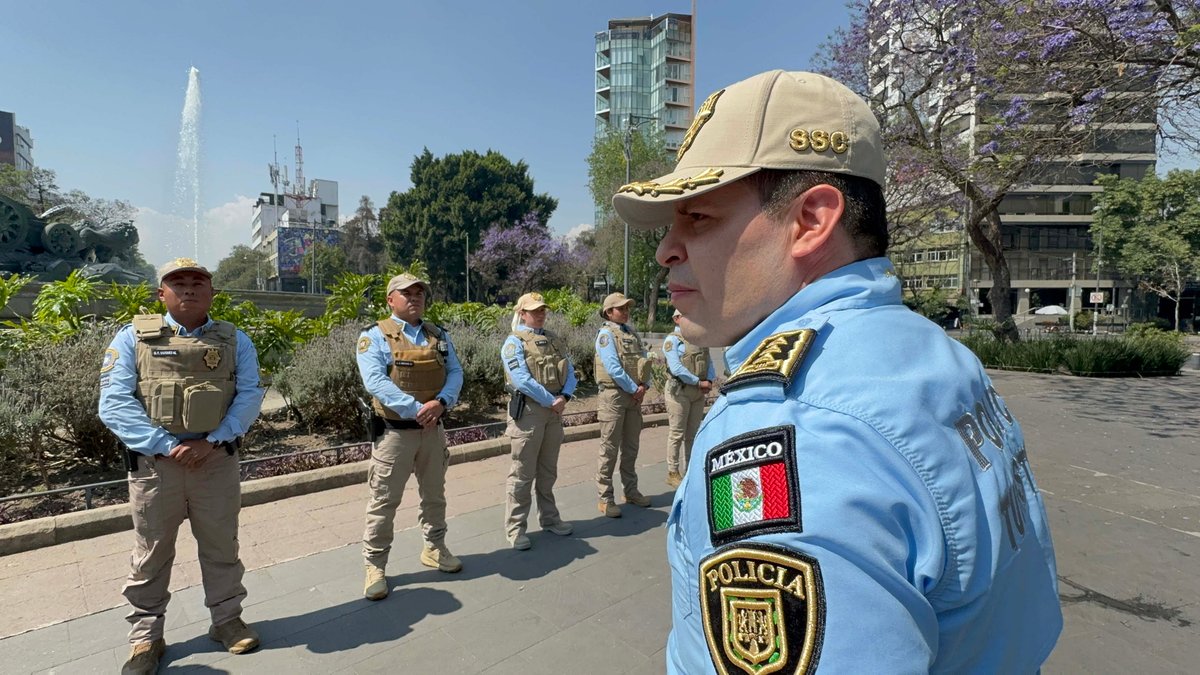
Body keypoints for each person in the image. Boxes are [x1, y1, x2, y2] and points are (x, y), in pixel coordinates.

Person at [612, 70, 1062, 673]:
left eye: (698, 219)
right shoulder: (930, 349)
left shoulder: (788, 426)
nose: (667, 248)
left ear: (811, 220)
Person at [98, 258, 265, 675]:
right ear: (162, 294)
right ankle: (145, 638)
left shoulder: (235, 339)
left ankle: (227, 620)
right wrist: (168, 446)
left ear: (211, 292)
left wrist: (213, 441)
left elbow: (249, 396)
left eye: (198, 282)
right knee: (151, 554)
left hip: (215, 463)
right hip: (157, 468)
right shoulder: (131, 338)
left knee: (221, 546)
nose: (188, 289)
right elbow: (114, 403)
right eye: (178, 283)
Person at [357, 273, 465, 601]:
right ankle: (375, 565)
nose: (415, 298)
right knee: (383, 501)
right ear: (390, 299)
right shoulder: (375, 335)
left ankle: (434, 547)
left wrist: (441, 403)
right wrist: (416, 408)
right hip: (395, 434)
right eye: (406, 293)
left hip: (433, 431)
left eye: (420, 293)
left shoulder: (438, 334)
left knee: (434, 494)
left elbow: (456, 372)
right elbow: (374, 380)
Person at [500, 292, 578, 549]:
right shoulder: (514, 343)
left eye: (543, 309)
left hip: (554, 411)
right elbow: (521, 379)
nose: (541, 313)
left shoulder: (553, 340)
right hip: (530, 414)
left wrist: (565, 396)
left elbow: (571, 371)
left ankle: (550, 519)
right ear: (521, 313)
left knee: (548, 472)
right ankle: (515, 529)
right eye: (534, 310)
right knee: (522, 474)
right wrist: (550, 400)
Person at [593, 292, 653, 518]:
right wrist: (634, 388)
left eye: (627, 308)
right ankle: (605, 497)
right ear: (609, 312)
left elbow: (645, 361)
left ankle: (631, 490)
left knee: (631, 447)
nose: (626, 312)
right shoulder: (606, 336)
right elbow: (613, 367)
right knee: (609, 448)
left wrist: (644, 385)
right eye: (621, 308)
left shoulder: (631, 334)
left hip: (633, 396)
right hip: (614, 398)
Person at [661, 308, 715, 488]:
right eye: (686, 316)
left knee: (692, 434)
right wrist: (699, 383)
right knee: (677, 434)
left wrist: (709, 379)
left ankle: (690, 470)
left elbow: (709, 361)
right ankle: (673, 472)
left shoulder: (699, 339)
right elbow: (676, 368)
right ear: (676, 319)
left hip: (697, 393)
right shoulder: (672, 341)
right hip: (680, 392)